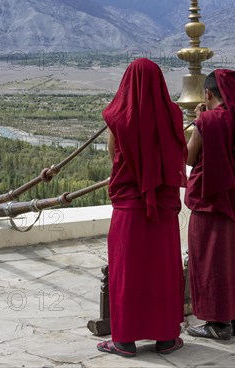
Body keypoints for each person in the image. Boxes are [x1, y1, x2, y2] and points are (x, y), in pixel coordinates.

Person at [96, 58, 187, 358]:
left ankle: (123, 341)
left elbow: (113, 153)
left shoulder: (119, 117)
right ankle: (165, 338)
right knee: (162, 269)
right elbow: (180, 152)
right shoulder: (172, 113)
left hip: (129, 207)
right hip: (162, 208)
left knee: (128, 271)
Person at [185, 69, 235, 340]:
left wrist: (197, 122)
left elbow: (190, 158)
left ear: (207, 93)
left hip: (212, 202)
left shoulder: (208, 121)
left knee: (210, 262)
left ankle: (216, 324)